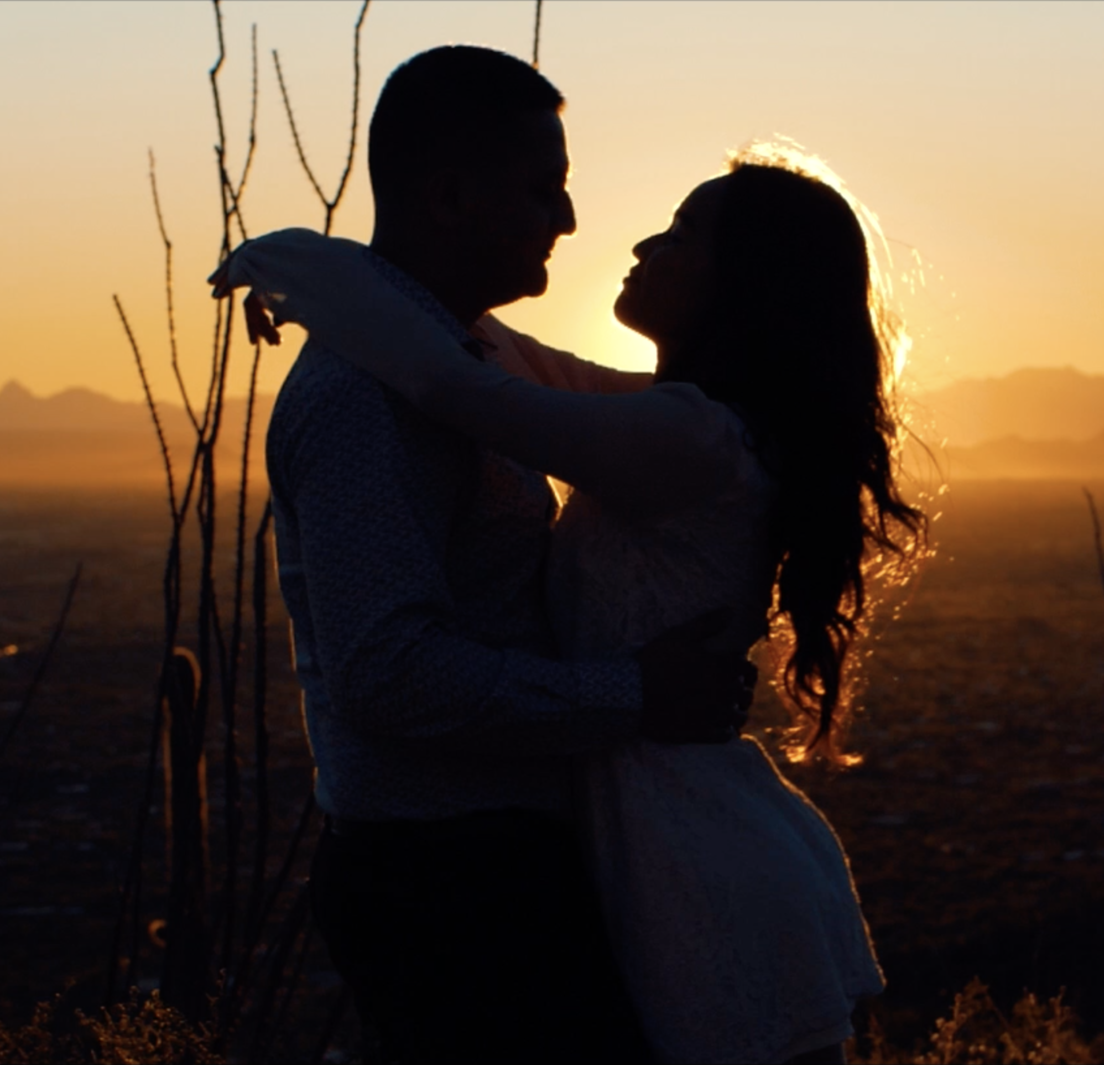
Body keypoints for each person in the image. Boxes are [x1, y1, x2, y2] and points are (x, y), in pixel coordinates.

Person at [219, 140, 925, 1063]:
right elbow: (496, 355)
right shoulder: (677, 419)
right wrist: (309, 273)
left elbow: (458, 385)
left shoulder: (686, 436)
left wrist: (289, 268)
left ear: (743, 285)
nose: (640, 245)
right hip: (660, 831)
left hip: (687, 851)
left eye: (679, 235)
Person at [251, 46, 760, 1065]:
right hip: (447, 886)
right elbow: (386, 672)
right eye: (543, 189)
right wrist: (635, 693)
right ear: (449, 197)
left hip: (492, 871)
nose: (567, 219)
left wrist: (301, 270)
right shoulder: (365, 399)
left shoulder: (464, 362)